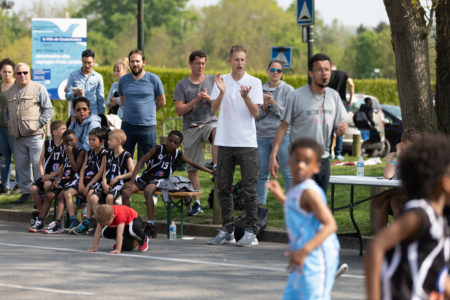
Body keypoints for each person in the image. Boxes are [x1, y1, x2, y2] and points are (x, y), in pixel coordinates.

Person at [365, 134, 450, 299]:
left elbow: (435, 270)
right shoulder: (419, 215)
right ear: (444, 182)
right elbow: (375, 248)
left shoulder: (438, 221)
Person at [267, 138, 339, 299]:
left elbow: (330, 225)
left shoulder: (309, 192)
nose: (300, 165)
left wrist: (304, 251)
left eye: (307, 162)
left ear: (316, 167)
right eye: (297, 160)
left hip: (316, 256)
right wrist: (280, 197)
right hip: (301, 254)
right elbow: (298, 210)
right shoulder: (296, 188)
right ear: (289, 161)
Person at [207, 45, 263, 247]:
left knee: (249, 188)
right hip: (225, 141)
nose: (239, 63)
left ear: (246, 61)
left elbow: (256, 113)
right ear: (229, 60)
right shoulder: (222, 81)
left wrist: (246, 97)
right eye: (236, 59)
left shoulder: (254, 82)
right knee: (223, 187)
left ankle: (251, 231)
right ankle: (227, 230)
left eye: (242, 59)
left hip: (247, 143)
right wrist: (221, 93)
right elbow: (213, 110)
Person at [269, 53, 348, 193]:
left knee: (320, 204)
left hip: (323, 160)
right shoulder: (296, 96)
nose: (324, 73)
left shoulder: (334, 96)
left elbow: (338, 129)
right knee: (304, 205)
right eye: (319, 70)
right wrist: (273, 155)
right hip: (301, 161)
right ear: (310, 73)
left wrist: (341, 130)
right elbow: (283, 127)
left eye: (327, 69)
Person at [122, 130, 214, 239]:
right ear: (167, 139)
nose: (172, 144)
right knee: (125, 191)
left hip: (161, 181)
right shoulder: (157, 149)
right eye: (170, 140)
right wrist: (132, 181)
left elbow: (193, 164)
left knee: (148, 191)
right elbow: (141, 161)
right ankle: (128, 222)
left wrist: (210, 171)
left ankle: (151, 225)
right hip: (146, 177)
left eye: (176, 143)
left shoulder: (178, 154)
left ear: (179, 145)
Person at [173, 50, 217, 216]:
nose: (201, 66)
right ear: (190, 63)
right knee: (192, 167)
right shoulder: (182, 85)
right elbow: (179, 110)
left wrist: (208, 100)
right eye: (198, 63)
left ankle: (216, 166)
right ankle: (197, 203)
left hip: (209, 121)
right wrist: (196, 100)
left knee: (217, 131)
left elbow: (219, 106)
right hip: (190, 126)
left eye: (203, 63)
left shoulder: (213, 80)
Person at [5, 62, 54, 204]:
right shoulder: (11, 91)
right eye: (19, 73)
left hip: (35, 135)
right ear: (15, 75)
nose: (22, 75)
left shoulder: (38, 88)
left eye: (25, 72)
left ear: (29, 74)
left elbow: (48, 110)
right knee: (21, 165)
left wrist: (37, 124)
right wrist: (10, 125)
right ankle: (26, 192)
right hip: (18, 136)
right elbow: (7, 112)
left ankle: (41, 191)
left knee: (37, 164)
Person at [256, 59, 293, 207]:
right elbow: (256, 115)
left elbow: (288, 115)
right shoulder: (259, 89)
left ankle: (291, 205)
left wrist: (273, 104)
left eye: (278, 71)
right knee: (262, 173)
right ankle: (260, 205)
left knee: (287, 172)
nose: (275, 73)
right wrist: (264, 107)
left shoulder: (288, 90)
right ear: (267, 71)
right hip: (262, 135)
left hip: (283, 135)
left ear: (282, 73)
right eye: (272, 70)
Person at [118, 49, 166, 157]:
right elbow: (123, 101)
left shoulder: (154, 79)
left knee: (152, 160)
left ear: (143, 62)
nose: (135, 64)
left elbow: (162, 101)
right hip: (127, 126)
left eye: (137, 61)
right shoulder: (123, 80)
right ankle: (129, 175)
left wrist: (148, 112)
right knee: (124, 159)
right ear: (129, 63)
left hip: (147, 127)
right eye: (132, 61)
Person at [371, 128, 419, 232]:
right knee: (384, 202)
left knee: (393, 200)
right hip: (398, 194)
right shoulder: (393, 156)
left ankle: (401, 238)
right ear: (402, 145)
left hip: (414, 196)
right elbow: (388, 175)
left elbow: (410, 187)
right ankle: (382, 241)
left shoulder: (418, 159)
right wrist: (398, 155)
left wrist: (385, 194)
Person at [42, 130, 86, 234]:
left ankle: (60, 222)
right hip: (64, 179)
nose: (69, 143)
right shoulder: (66, 151)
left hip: (74, 180)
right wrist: (57, 179)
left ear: (77, 140)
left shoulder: (81, 152)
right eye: (66, 141)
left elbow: (75, 168)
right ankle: (40, 220)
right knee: (49, 195)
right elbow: (64, 167)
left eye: (71, 140)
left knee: (61, 195)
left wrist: (70, 155)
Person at [28, 120, 66, 232]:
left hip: (58, 176)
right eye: (63, 129)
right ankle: (42, 211)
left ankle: (42, 216)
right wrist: (42, 174)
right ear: (55, 132)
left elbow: (65, 164)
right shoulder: (47, 143)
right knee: (33, 189)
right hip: (47, 175)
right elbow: (40, 162)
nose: (65, 130)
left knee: (47, 185)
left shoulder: (66, 145)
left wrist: (52, 175)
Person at [72, 127, 108, 235]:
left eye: (94, 140)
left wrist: (89, 186)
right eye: (90, 139)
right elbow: (83, 169)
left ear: (102, 141)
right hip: (86, 181)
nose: (90, 142)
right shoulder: (89, 153)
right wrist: (82, 183)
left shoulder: (104, 154)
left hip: (97, 182)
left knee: (91, 195)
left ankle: (95, 223)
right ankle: (83, 221)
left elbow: (100, 173)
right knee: (68, 192)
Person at [66, 49, 105, 116]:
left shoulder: (98, 77)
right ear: (81, 61)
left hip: (93, 114)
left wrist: (101, 116)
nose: (87, 65)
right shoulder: (72, 75)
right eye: (84, 62)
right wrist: (75, 94)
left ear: (93, 62)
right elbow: (67, 96)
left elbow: (100, 99)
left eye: (89, 63)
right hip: (76, 115)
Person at [328, 62, 354, 161]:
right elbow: (351, 85)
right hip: (342, 104)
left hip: (329, 104)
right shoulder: (343, 73)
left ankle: (329, 153)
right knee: (341, 128)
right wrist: (350, 100)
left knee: (329, 130)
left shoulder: (327, 75)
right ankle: (338, 153)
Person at [0, 58, 19, 194]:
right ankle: (5, 185)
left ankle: (19, 184)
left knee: (18, 156)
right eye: (4, 71)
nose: (7, 74)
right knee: (3, 157)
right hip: (0, 128)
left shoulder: (17, 86)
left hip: (13, 128)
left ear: (13, 73)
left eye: (9, 72)